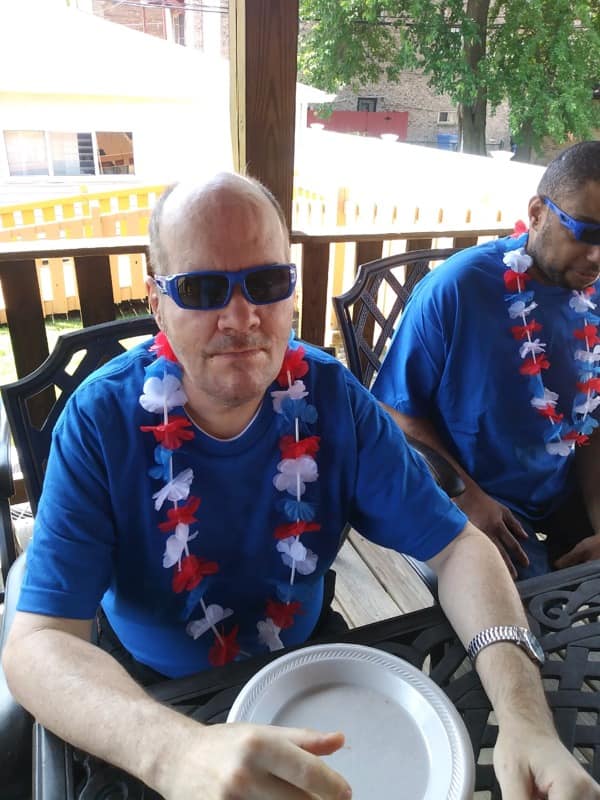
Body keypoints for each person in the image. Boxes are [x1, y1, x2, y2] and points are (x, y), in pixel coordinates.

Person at [3, 173, 598, 800]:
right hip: (155, 692)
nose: (241, 317)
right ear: (157, 302)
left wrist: (526, 720)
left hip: (312, 668)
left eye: (265, 282)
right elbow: (38, 642)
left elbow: (460, 549)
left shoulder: (331, 396)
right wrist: (172, 751)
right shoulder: (101, 423)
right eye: (203, 289)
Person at [372, 140, 600, 580]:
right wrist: (468, 497)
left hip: (562, 495)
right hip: (467, 500)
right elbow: (394, 413)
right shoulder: (456, 290)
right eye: (586, 231)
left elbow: (592, 424)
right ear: (536, 213)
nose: (597, 256)